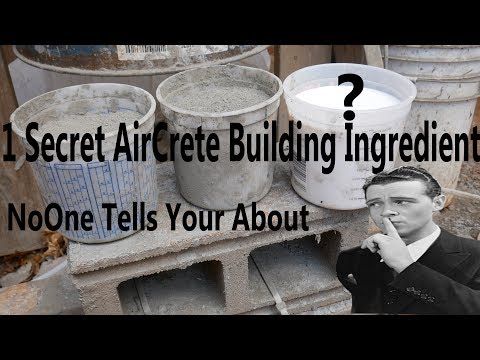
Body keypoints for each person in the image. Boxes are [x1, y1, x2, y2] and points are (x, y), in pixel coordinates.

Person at [336, 166, 480, 314]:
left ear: (437, 203)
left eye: (401, 202)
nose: (385, 212)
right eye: (375, 204)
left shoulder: (476, 255)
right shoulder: (359, 256)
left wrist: (406, 267)